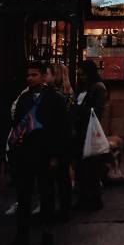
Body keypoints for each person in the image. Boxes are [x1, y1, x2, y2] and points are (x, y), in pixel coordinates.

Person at [6, 62, 70, 245]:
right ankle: (22, 236)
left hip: (45, 154)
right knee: (23, 196)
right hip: (25, 155)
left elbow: (61, 130)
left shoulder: (55, 99)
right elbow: (17, 125)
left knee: (46, 195)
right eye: (28, 75)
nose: (30, 78)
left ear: (43, 76)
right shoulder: (24, 98)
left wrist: (56, 156)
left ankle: (46, 236)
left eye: (34, 74)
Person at [72, 60, 109, 211]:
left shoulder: (98, 88)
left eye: (83, 74)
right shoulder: (83, 88)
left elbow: (97, 111)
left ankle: (93, 199)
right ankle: (84, 198)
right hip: (80, 131)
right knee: (81, 167)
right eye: (78, 74)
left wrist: (78, 109)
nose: (80, 77)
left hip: (90, 131)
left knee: (91, 168)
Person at [49, 62, 75, 222]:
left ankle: (57, 209)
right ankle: (65, 208)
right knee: (64, 174)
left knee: (56, 175)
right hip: (67, 137)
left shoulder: (56, 94)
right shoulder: (69, 92)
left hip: (58, 136)